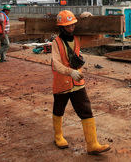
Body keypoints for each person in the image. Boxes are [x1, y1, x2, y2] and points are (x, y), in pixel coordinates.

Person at [51, 10, 110, 155]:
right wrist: (70, 71)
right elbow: (55, 64)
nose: (71, 28)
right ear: (62, 27)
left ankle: (92, 144)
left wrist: (90, 20)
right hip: (62, 83)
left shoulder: (77, 39)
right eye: (68, 26)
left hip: (77, 82)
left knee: (86, 110)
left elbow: (96, 36)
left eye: (73, 25)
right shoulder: (56, 42)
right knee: (59, 109)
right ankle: (58, 136)